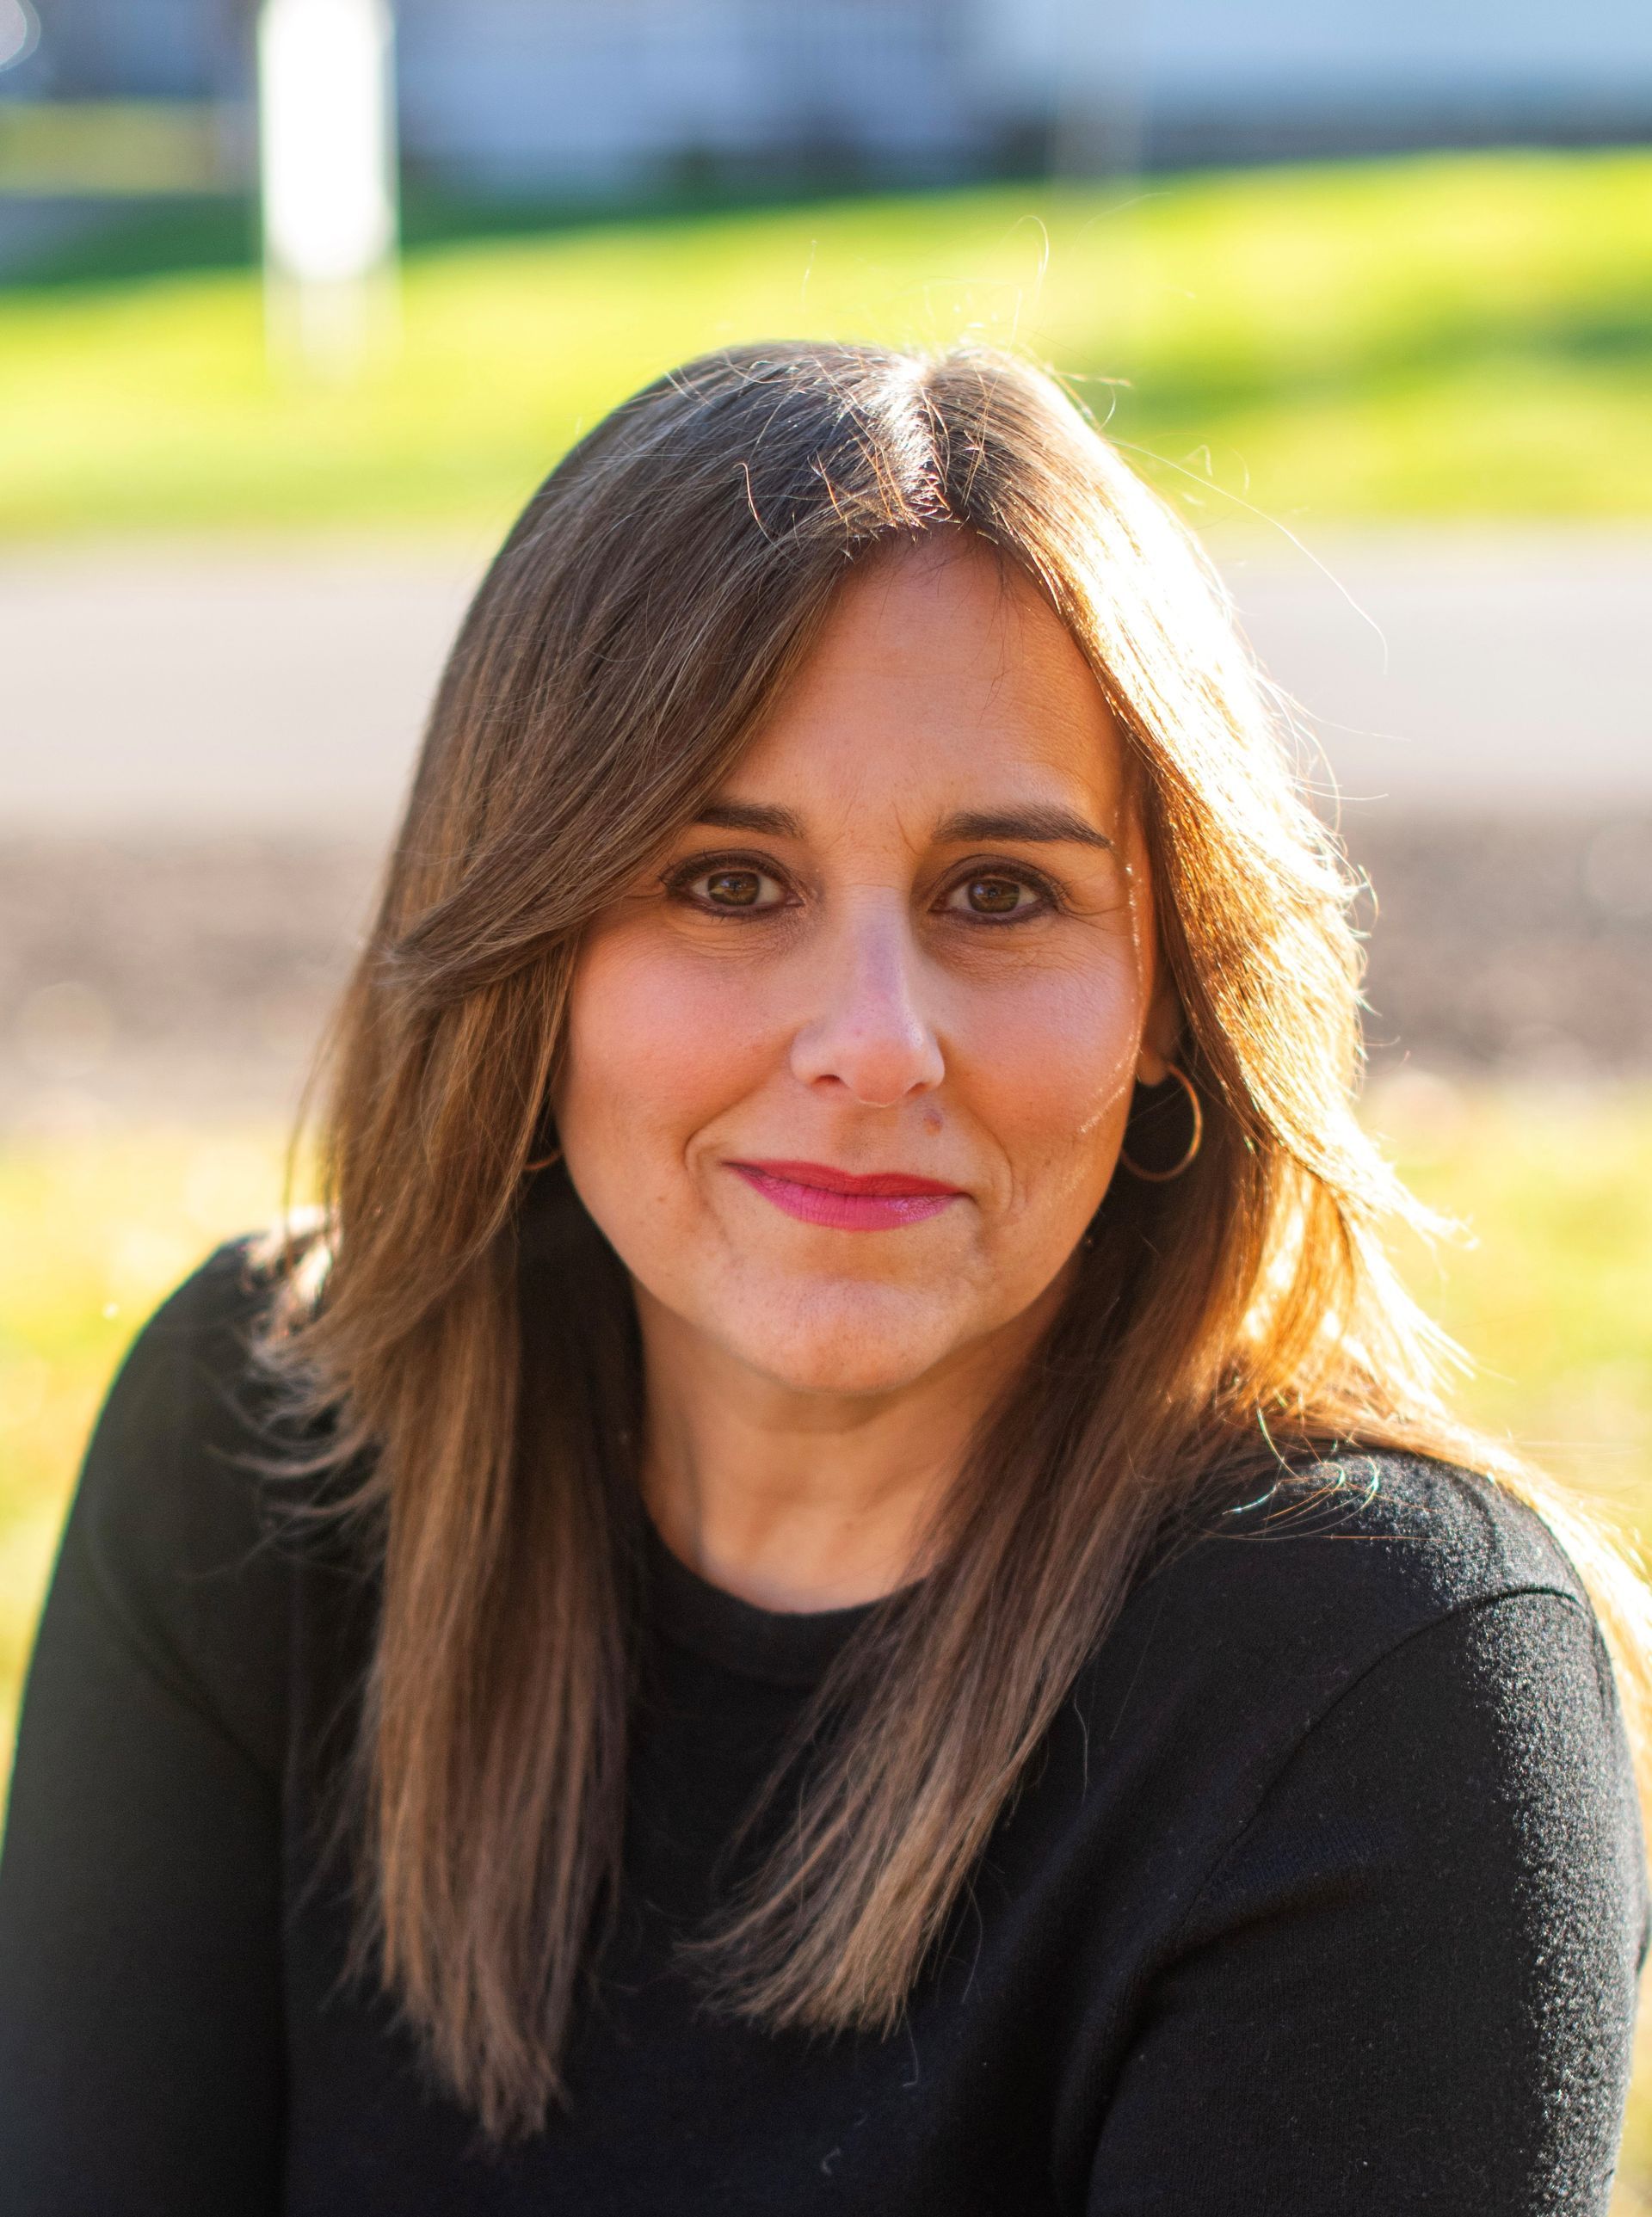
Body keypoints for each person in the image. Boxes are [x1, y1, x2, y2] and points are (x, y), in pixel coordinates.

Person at [1, 342, 1646, 2214]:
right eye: (728, 882)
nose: (875, 1042)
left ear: (1172, 998)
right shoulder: (261, 1449)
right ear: (528, 953)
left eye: (1001, 892)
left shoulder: (1386, 1682)